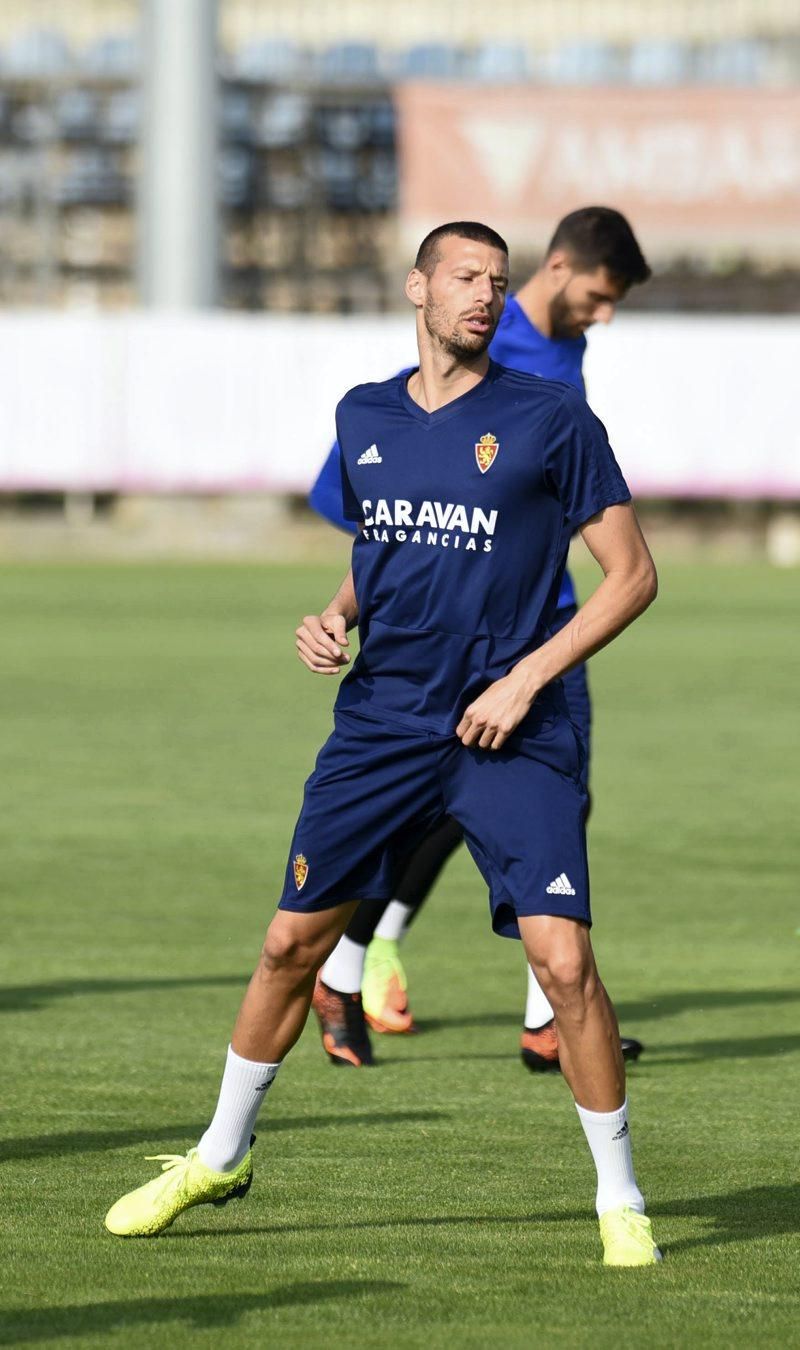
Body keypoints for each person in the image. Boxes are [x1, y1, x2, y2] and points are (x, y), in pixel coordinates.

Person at [105, 221, 661, 1266]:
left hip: (511, 725)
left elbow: (631, 576)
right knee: (287, 945)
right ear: (416, 288)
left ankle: (618, 1200)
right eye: (463, 278)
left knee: (565, 963)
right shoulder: (362, 415)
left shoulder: (551, 417)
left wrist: (528, 676)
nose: (483, 297)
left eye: (496, 282)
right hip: (383, 721)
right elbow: (386, 546)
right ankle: (219, 1156)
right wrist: (335, 615)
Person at [310, 206, 650, 1073]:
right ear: (564, 268)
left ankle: (531, 1009)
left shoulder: (550, 353)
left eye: (493, 284)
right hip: (484, 647)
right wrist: (344, 610)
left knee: (528, 806)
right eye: (600, 297)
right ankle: (353, 965)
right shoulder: (482, 363)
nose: (604, 316)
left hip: (539, 629)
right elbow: (385, 516)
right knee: (466, 805)